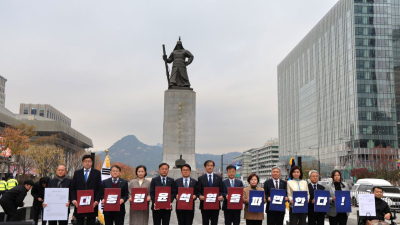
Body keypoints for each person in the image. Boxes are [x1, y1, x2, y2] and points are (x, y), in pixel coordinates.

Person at [70, 155, 102, 225]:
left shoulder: (97, 173)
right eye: (85, 161)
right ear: (82, 162)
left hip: (92, 203)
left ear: (92, 162)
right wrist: (74, 200)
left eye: (89, 161)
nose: (87, 163)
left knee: (91, 222)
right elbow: (72, 188)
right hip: (79, 203)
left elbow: (99, 188)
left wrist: (97, 200)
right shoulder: (77, 173)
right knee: (79, 222)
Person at [198, 160, 224, 225]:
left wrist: (221, 196)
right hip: (204, 205)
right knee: (205, 222)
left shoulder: (218, 178)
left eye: (211, 166)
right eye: (208, 166)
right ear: (205, 167)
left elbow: (221, 190)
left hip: (215, 205)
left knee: (214, 222)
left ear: (213, 167)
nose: (210, 167)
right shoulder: (201, 178)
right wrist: (200, 196)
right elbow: (198, 191)